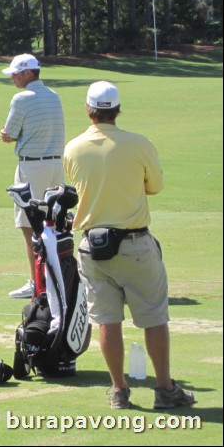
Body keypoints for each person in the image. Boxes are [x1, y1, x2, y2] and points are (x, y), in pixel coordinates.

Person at [64, 81, 195, 410]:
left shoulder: (74, 147)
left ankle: (119, 390)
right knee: (153, 318)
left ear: (88, 109)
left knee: (107, 320)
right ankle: (164, 390)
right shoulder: (139, 144)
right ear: (117, 109)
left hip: (92, 249)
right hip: (135, 244)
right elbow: (156, 186)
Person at [0, 53, 65, 299]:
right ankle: (56, 279)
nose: (13, 78)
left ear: (28, 73)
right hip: (56, 167)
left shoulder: (21, 98)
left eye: (16, 73)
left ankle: (37, 283)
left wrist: (6, 135)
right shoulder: (54, 95)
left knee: (31, 227)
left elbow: (11, 132)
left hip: (32, 168)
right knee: (54, 226)